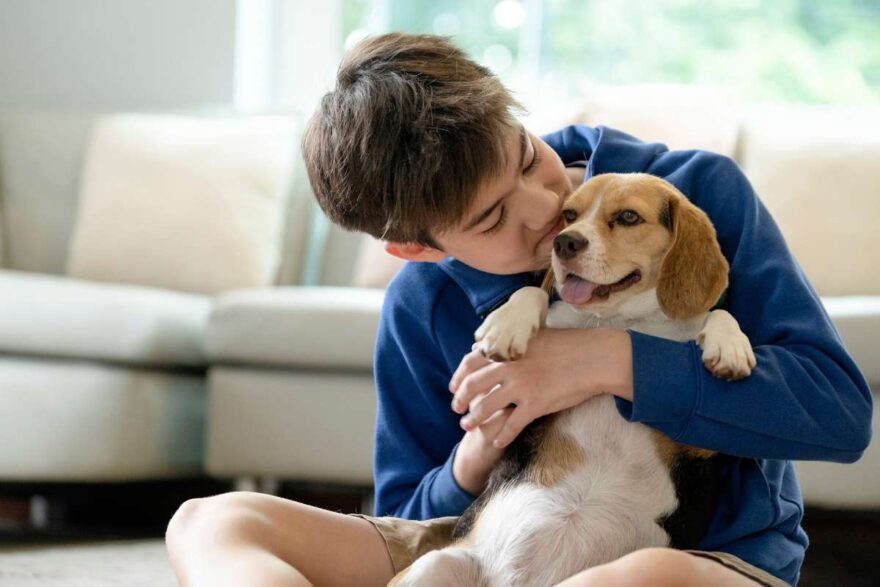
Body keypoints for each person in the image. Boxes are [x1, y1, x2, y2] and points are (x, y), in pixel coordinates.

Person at [164, 32, 872, 587]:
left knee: (641, 578)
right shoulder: (420, 304)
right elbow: (409, 514)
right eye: (494, 217)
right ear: (418, 248)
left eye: (528, 158)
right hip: (485, 540)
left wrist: (605, 361)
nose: (543, 214)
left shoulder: (694, 192)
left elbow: (840, 414)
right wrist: (477, 450)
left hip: (694, 554)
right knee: (207, 520)